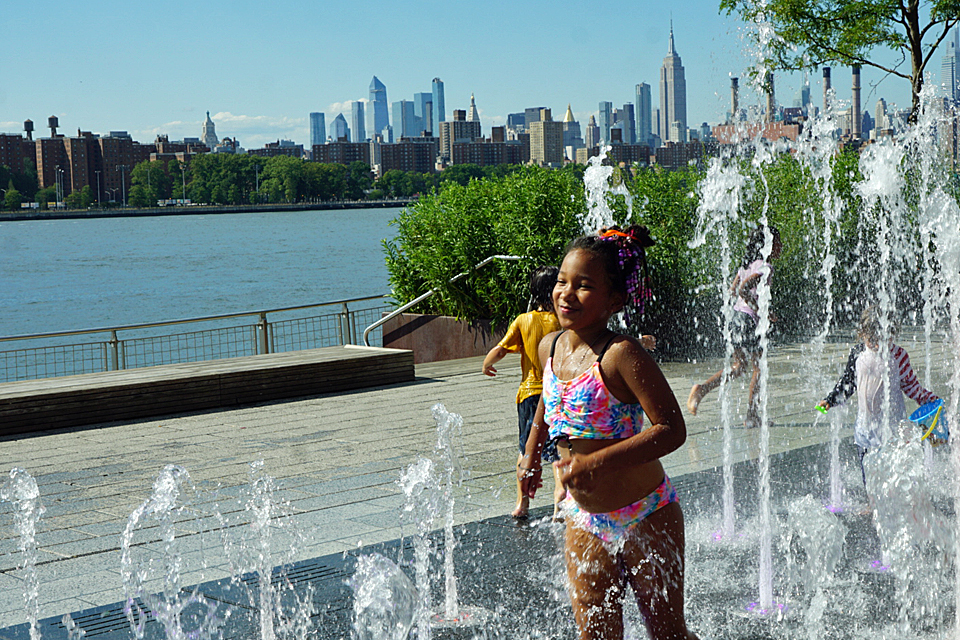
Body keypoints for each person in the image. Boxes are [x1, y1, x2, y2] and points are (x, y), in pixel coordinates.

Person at [518, 226, 698, 640]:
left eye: (583, 286)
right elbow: (548, 401)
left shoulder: (621, 355)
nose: (566, 293)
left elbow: (672, 429)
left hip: (646, 513)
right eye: (562, 281)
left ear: (615, 300)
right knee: (596, 635)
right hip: (584, 518)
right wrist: (530, 455)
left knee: (668, 634)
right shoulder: (549, 347)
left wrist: (597, 462)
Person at [816, 305, 939, 485]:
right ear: (862, 334)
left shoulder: (899, 356)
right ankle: (870, 498)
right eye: (872, 339)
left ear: (892, 334)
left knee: (894, 476)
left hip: (893, 429)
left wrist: (929, 400)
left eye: (883, 338)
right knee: (869, 475)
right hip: (865, 429)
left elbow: (911, 386)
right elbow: (847, 383)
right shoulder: (858, 354)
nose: (877, 344)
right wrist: (830, 400)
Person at [483, 266, 564, 519]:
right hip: (557, 393)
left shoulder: (523, 320)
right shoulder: (563, 321)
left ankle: (522, 503)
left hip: (530, 394)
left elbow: (501, 349)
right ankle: (560, 501)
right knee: (558, 450)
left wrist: (487, 363)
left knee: (526, 449)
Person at [687, 226, 782, 428]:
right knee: (759, 368)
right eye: (777, 242)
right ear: (767, 245)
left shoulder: (747, 265)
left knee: (739, 367)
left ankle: (702, 389)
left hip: (736, 318)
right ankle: (752, 415)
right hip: (748, 320)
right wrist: (761, 311)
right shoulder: (765, 267)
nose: (780, 246)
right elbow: (742, 289)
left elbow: (732, 290)